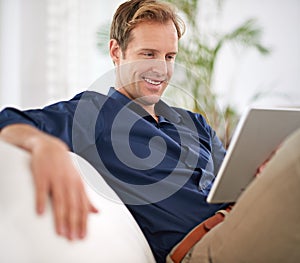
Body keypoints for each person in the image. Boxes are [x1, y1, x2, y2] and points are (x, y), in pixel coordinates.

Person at [0, 0, 299, 262]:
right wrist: (44, 145)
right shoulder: (96, 114)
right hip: (205, 248)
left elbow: (232, 188)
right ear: (117, 52)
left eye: (170, 57)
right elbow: (8, 121)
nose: (162, 70)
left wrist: (260, 177)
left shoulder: (195, 123)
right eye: (148, 54)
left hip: (245, 223)